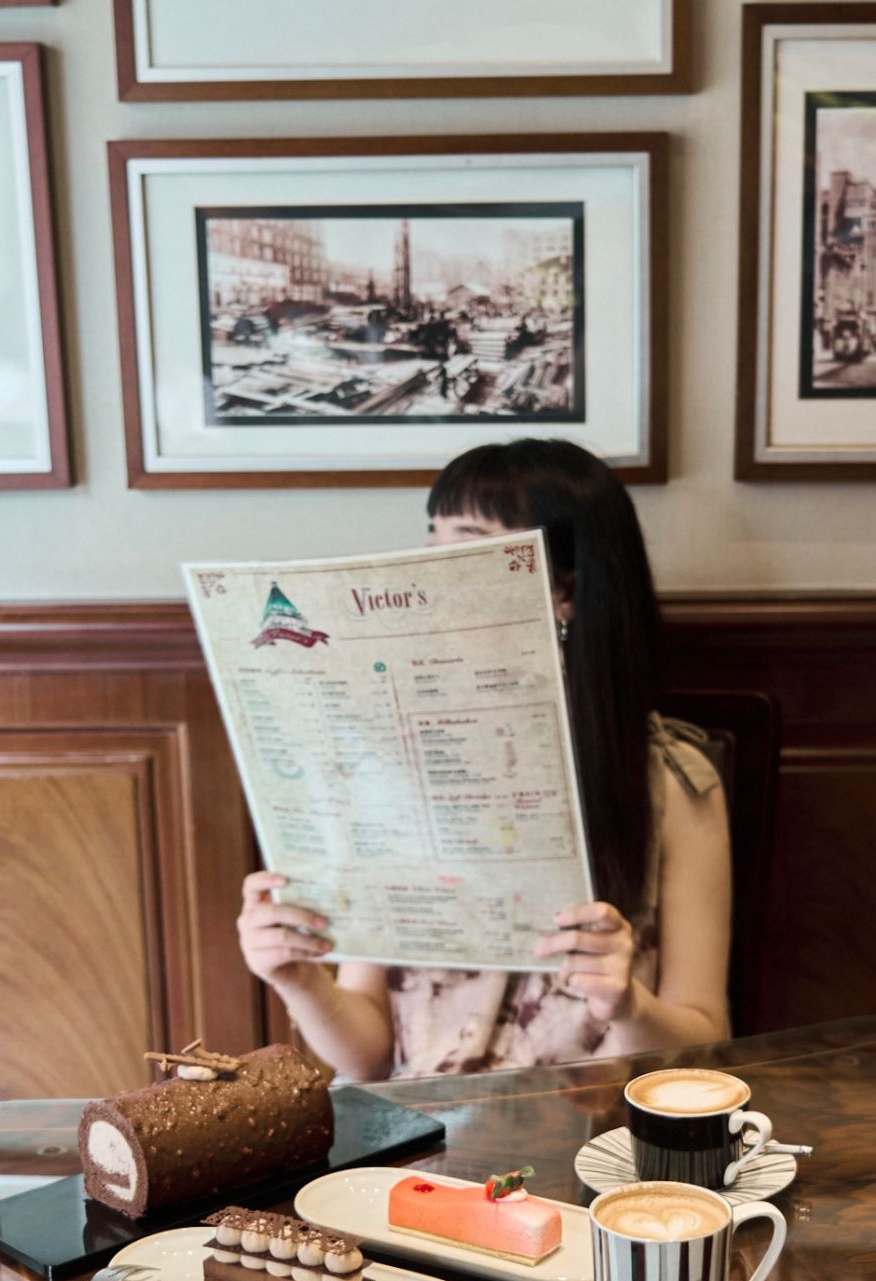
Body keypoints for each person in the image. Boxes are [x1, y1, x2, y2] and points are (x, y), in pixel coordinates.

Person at [237, 439, 731, 1081]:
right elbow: (370, 1058)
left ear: (566, 594)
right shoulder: (385, 764)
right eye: (430, 546)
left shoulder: (668, 781)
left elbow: (706, 1037)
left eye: (465, 549)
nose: (427, 580)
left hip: (594, 1144)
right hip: (420, 1146)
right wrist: (298, 978)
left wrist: (627, 1003)